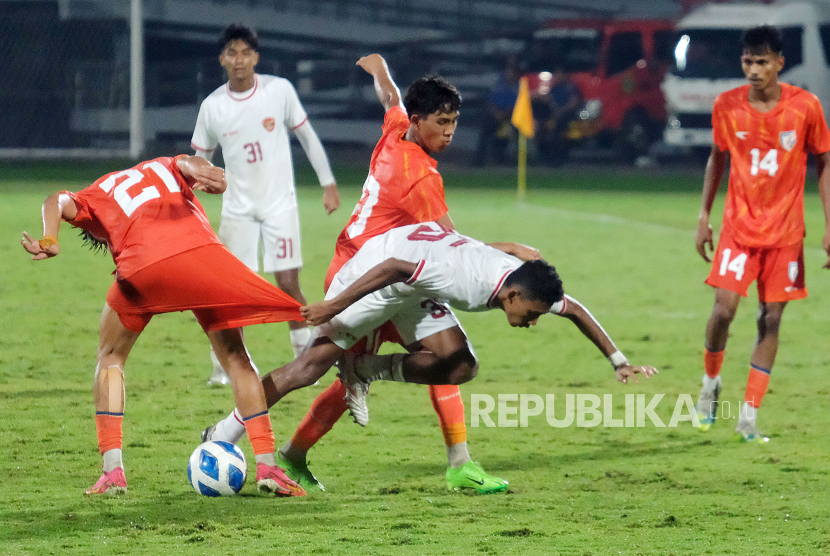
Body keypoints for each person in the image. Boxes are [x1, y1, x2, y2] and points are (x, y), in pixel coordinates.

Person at [205, 53, 536, 494]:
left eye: (454, 121)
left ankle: (459, 462)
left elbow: (391, 98)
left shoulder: (399, 128)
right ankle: (233, 436)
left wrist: (380, 68)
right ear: (420, 122)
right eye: (442, 122)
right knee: (312, 369)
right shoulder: (418, 177)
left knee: (448, 355)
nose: (450, 131)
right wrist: (510, 250)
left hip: (401, 273)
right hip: (363, 277)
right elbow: (454, 247)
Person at [206, 222, 658, 487]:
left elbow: (574, 308)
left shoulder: (517, 276)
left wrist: (619, 361)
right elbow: (395, 269)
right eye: (533, 313)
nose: (534, 320)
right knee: (308, 369)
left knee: (460, 364)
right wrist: (335, 305)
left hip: (418, 281)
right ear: (514, 293)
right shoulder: (471, 282)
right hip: (381, 271)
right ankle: (223, 434)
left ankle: (366, 369)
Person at [20, 155, 307, 497]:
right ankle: (268, 466)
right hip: (202, 259)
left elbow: (56, 200)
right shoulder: (166, 163)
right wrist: (212, 176)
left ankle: (113, 472)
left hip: (144, 268)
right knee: (235, 355)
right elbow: (206, 173)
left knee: (110, 355)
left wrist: (50, 238)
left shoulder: (95, 193)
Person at [694, 25, 830, 442]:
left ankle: (748, 416)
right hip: (738, 230)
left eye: (762, 61)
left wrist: (829, 224)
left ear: (779, 63)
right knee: (723, 312)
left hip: (786, 234)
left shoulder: (805, 107)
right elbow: (716, 159)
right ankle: (710, 384)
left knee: (771, 320)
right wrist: (703, 214)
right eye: (747, 61)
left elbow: (824, 162)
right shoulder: (727, 106)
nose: (753, 70)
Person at [191, 22, 340, 386]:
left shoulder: (279, 91)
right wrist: (189, 201)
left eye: (245, 53)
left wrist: (328, 183)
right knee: (232, 290)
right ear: (222, 59)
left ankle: (305, 355)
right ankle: (222, 364)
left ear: (255, 57)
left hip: (280, 205)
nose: (239, 60)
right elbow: (198, 161)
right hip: (237, 210)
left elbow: (306, 135)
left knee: (288, 283)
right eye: (232, 53)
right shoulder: (213, 107)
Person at [473, 57, 520, 166]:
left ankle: (510, 161)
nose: (509, 74)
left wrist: (505, 113)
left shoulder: (517, 87)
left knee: (509, 134)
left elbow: (518, 104)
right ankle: (478, 161)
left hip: (510, 117)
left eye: (511, 72)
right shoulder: (498, 85)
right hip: (495, 116)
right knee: (485, 131)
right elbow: (490, 101)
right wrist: (496, 113)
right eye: (507, 71)